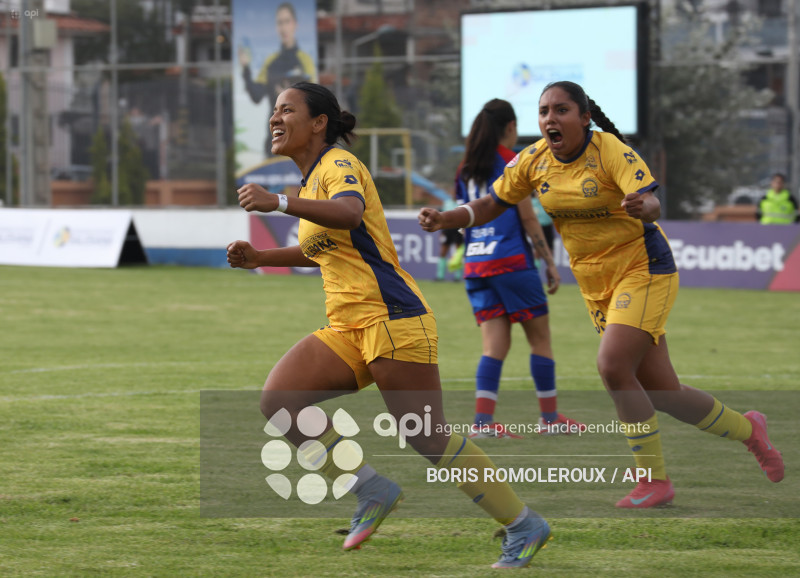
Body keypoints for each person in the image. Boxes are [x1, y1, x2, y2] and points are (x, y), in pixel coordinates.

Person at [226, 82, 550, 568]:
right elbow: (326, 246)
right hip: (349, 325)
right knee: (280, 402)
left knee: (427, 435)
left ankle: (524, 525)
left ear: (318, 123)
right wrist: (261, 257)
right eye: (274, 110)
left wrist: (278, 202)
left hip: (393, 319)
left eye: (286, 109)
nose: (275, 118)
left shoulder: (337, 165)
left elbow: (350, 213)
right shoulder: (314, 179)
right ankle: (371, 490)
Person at [419, 81, 784, 508]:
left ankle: (653, 480)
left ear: (584, 117)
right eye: (543, 112)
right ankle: (749, 429)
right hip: (597, 286)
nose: (550, 119)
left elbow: (651, 204)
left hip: (643, 268)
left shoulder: (608, 149)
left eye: (561, 110)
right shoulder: (534, 159)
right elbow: (492, 203)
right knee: (664, 393)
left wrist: (643, 206)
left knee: (612, 366)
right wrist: (448, 218)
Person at [455, 98, 584, 438]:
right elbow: (527, 216)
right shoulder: (511, 161)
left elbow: (464, 219)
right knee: (540, 340)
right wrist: (549, 262)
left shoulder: (465, 169)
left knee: (493, 347)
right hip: (511, 261)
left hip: (476, 265)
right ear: (510, 128)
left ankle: (483, 424)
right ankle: (550, 418)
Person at [239, 2, 317, 154]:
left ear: (295, 24)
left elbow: (313, 100)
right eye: (280, 23)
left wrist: (288, 97)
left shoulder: (305, 60)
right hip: (274, 137)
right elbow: (256, 96)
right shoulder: (270, 62)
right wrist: (246, 68)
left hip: (299, 139)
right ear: (276, 27)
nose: (283, 27)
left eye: (287, 21)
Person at [435, 195, 464, 281]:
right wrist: (442, 232)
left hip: (457, 229)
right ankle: (440, 276)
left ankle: (457, 276)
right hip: (447, 230)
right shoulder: (447, 203)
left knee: (458, 253)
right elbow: (441, 218)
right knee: (443, 252)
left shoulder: (461, 203)